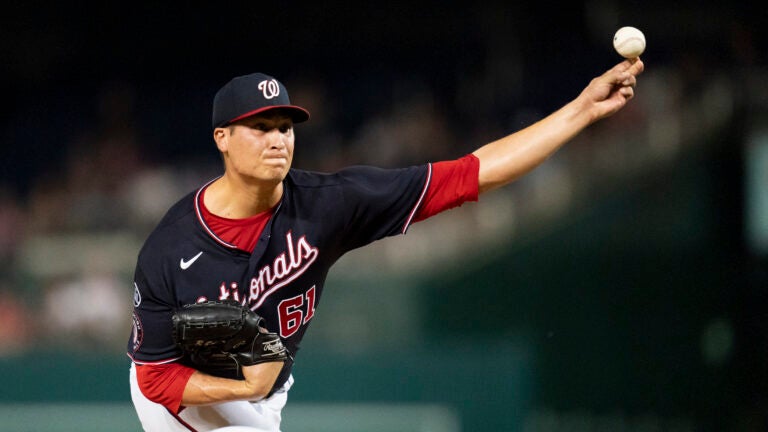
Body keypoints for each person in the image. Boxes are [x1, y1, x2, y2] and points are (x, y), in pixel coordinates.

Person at [127, 58, 644, 431]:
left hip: (264, 395)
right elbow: (154, 377)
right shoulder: (171, 248)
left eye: (284, 126)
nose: (278, 139)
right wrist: (244, 388)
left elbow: (471, 174)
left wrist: (580, 111)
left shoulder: (329, 204)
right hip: (186, 393)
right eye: (259, 127)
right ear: (222, 138)